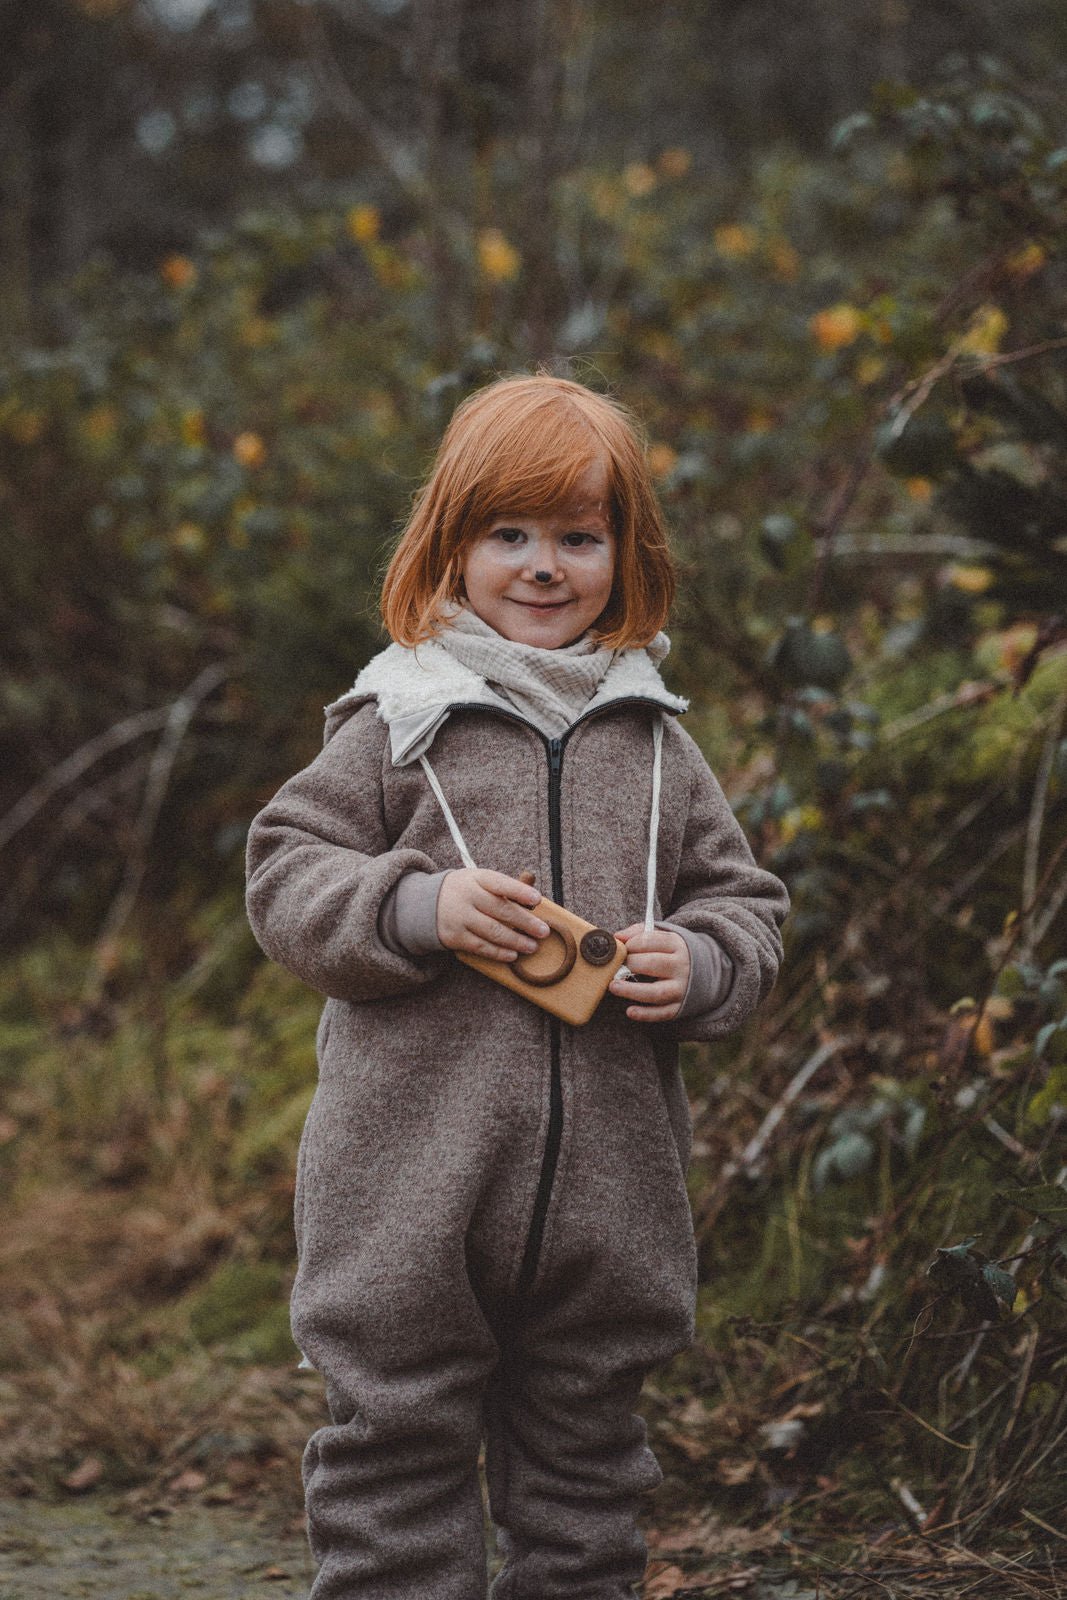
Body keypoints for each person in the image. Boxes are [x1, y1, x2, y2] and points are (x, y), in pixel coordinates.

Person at [245, 372, 790, 1600]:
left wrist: (694, 961)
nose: (543, 566)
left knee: (588, 1473)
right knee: (393, 1451)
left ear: (623, 553)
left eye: (577, 536)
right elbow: (283, 875)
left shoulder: (654, 738)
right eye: (509, 534)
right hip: (405, 1191)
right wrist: (412, 903)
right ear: (450, 547)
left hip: (610, 1199)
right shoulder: (397, 718)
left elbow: (743, 904)